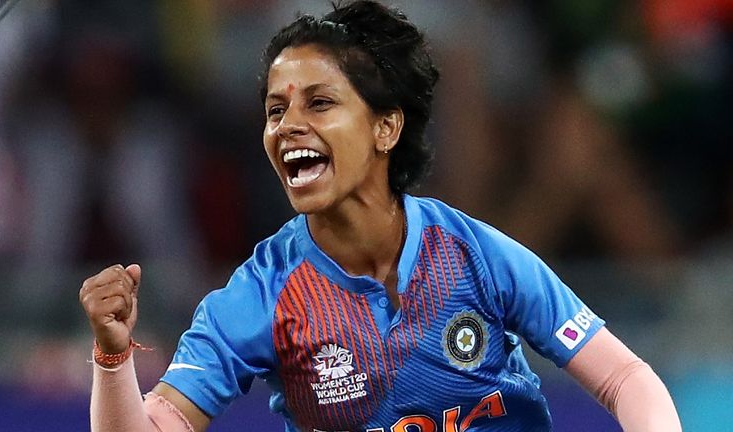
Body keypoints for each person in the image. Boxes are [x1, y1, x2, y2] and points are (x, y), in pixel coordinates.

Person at [78, 1, 682, 431]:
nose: (288, 126)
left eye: (319, 102)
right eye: (274, 109)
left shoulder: (477, 255)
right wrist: (112, 356)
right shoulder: (261, 295)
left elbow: (625, 378)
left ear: (385, 127)